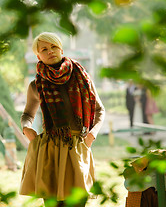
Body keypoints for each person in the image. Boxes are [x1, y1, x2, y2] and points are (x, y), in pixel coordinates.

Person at [19, 32, 105, 207]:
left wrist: (91, 136)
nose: (50, 51)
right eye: (44, 49)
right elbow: (27, 114)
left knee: (78, 202)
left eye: (54, 46)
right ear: (38, 55)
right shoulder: (36, 85)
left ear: (61, 48)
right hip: (49, 151)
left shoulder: (82, 78)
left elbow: (99, 110)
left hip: (77, 147)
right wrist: (26, 128)